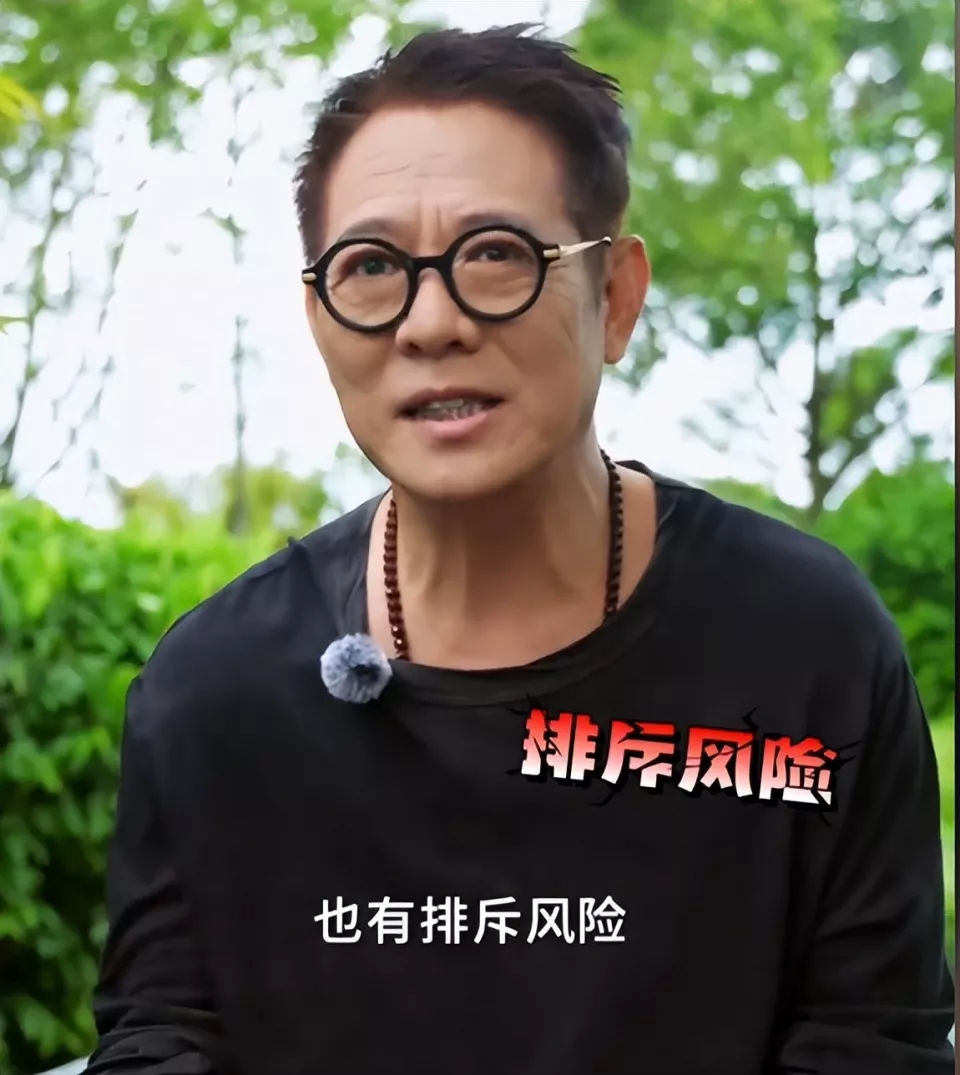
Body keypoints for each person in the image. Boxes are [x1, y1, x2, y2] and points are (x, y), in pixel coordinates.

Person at [85, 23, 954, 1075]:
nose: (431, 322)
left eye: (496, 253)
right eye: (371, 267)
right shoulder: (211, 693)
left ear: (616, 298)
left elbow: (874, 1040)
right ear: (317, 318)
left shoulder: (805, 648)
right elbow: (163, 1035)